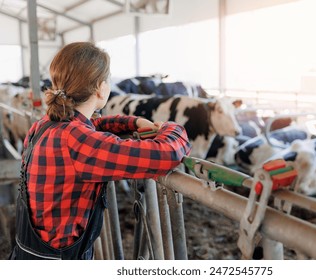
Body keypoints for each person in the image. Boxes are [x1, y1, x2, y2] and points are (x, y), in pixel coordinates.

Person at [9, 42, 192, 260]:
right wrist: (171, 128)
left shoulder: (44, 125)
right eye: (108, 79)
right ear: (99, 88)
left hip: (27, 253)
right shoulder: (79, 142)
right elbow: (167, 154)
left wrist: (133, 122)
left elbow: (91, 126)